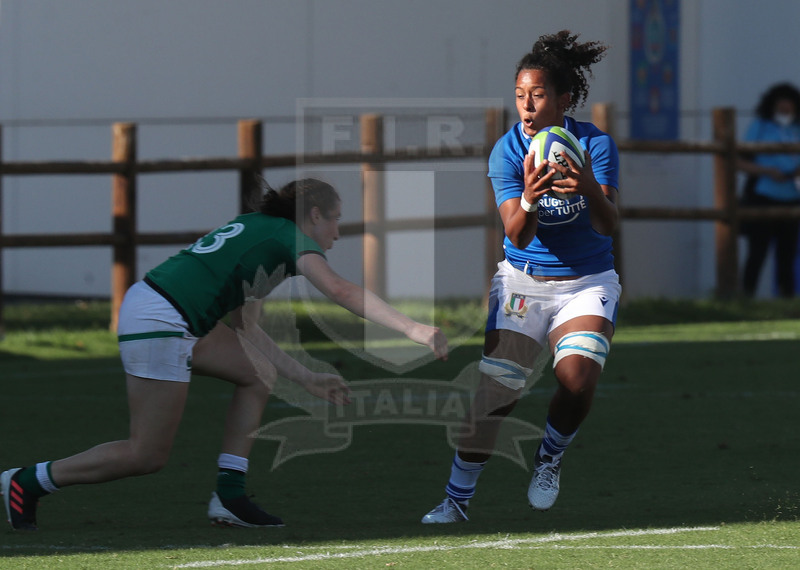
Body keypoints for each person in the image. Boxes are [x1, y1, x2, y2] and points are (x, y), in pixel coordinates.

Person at [2, 178, 448, 531]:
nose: (337, 231)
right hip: (163, 321)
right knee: (146, 455)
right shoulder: (288, 237)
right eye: (335, 220)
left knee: (257, 376)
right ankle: (27, 481)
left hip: (162, 308)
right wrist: (413, 328)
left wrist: (305, 376)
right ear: (314, 215)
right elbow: (339, 289)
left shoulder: (261, 234)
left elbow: (245, 328)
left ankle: (229, 497)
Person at [421, 30, 620, 523]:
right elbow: (518, 232)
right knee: (498, 395)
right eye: (519, 96)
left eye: (537, 96)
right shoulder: (507, 152)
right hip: (523, 282)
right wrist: (530, 195)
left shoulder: (594, 144)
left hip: (587, 281)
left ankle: (549, 457)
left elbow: (607, 223)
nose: (527, 107)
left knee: (576, 380)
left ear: (563, 99)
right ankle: (456, 500)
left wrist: (591, 188)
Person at [738, 82, 800, 298]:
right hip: (763, 195)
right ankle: (746, 297)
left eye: (788, 104)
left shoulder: (797, 128)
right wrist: (766, 171)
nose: (785, 109)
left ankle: (787, 299)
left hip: (792, 197)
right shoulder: (761, 125)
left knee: (787, 253)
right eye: (780, 104)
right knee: (757, 252)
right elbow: (739, 160)